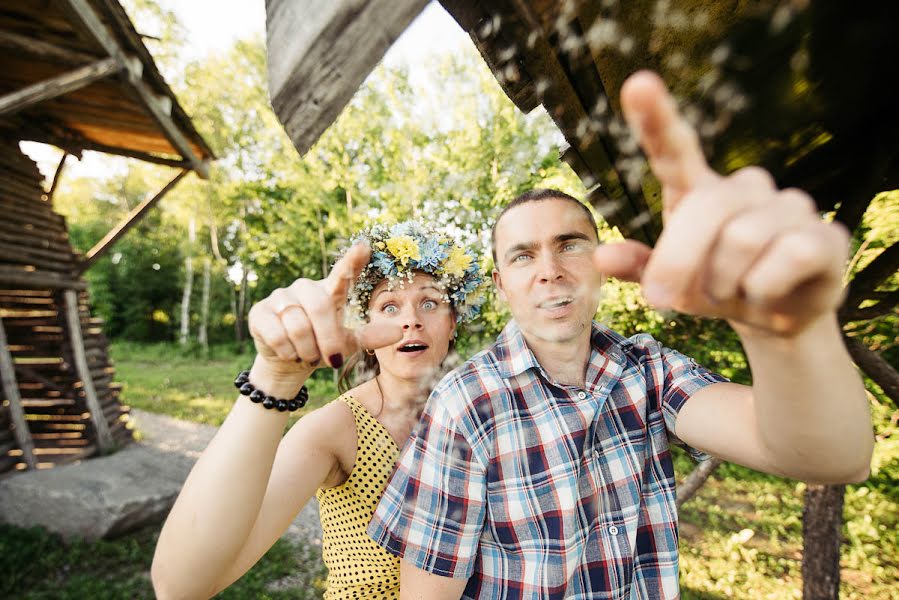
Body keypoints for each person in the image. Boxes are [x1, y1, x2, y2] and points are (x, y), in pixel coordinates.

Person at [367, 71, 875, 599]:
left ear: (601, 265)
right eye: (523, 255)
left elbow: (835, 456)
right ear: (501, 285)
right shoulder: (465, 404)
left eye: (570, 245)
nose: (550, 271)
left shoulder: (650, 371)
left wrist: (786, 332)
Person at [151, 221, 485, 599]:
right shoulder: (337, 428)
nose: (411, 320)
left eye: (430, 302)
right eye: (389, 306)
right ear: (368, 332)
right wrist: (276, 377)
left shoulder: (478, 410)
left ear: (452, 323)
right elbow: (180, 585)